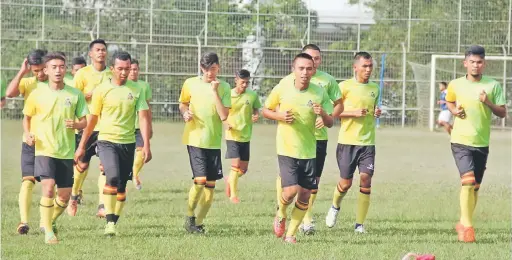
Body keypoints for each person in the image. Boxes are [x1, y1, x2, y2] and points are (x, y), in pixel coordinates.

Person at [75, 51, 152, 236]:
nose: (124, 73)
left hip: (128, 142)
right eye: (120, 69)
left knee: (122, 187)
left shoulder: (136, 90)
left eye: (127, 69)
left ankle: (113, 221)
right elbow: (92, 120)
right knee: (112, 177)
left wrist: (147, 145)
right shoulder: (102, 90)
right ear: (112, 69)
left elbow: (143, 118)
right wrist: (81, 145)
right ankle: (109, 223)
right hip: (107, 140)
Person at [263, 53, 333, 244]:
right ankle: (281, 212)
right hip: (287, 148)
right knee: (291, 191)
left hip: (309, 150)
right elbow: (265, 110)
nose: (305, 72)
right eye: (301, 68)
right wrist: (280, 116)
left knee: (305, 194)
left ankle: (291, 235)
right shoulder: (283, 87)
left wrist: (323, 114)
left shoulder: (319, 92)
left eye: (309, 69)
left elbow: (330, 122)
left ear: (313, 71)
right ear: (293, 69)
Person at [276, 44, 343, 235]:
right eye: (309, 59)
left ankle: (304, 221)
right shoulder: (290, 81)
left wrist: (326, 115)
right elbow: (273, 106)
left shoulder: (327, 82)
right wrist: (281, 116)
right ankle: (298, 218)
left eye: (316, 59)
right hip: (291, 141)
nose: (312, 63)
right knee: (291, 187)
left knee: (311, 186)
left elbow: (338, 105)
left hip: (317, 140)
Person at [23, 52, 88, 244]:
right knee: (48, 188)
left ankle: (49, 220)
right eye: (54, 67)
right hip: (44, 149)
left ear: (65, 69)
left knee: (65, 196)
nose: (58, 70)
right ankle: (48, 233)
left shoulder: (75, 94)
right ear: (46, 70)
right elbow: (26, 118)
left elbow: (84, 121)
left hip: (66, 150)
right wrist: (28, 134)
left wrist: (76, 125)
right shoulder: (36, 93)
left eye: (61, 67)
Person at [445, 45, 506, 243]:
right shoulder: (455, 84)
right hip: (460, 141)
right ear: (465, 63)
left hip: (481, 143)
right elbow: (450, 101)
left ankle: (463, 221)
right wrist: (454, 111)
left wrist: (487, 102)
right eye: (472, 62)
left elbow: (502, 112)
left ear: (484, 64)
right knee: (468, 181)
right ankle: (468, 228)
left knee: (476, 187)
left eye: (479, 62)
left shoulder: (493, 85)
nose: (475, 65)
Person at [325, 52, 382, 234]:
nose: (368, 69)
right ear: (355, 67)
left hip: (367, 143)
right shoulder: (344, 87)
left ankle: (359, 225)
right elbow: (331, 112)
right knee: (345, 183)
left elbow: (373, 109)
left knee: (366, 178)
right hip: (347, 143)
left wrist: (376, 112)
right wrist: (353, 113)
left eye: (370, 66)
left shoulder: (375, 88)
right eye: (365, 66)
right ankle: (335, 206)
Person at [179, 52, 231, 234]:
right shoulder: (190, 83)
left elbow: (224, 115)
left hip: (213, 142)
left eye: (213, 69)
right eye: (207, 69)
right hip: (194, 139)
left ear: (219, 68)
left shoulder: (224, 87)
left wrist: (215, 91)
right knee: (199, 181)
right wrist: (185, 112)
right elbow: (183, 103)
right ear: (202, 68)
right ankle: (189, 215)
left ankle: (198, 224)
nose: (210, 73)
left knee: (209, 191)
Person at [6, 49, 49, 235]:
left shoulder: (58, 84)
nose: (39, 74)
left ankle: (45, 221)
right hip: (30, 141)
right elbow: (9, 93)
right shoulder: (27, 82)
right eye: (35, 70)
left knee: (49, 184)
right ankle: (24, 222)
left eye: (42, 70)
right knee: (27, 182)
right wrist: (22, 71)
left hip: (51, 143)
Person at [68, 39, 112, 217]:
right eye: (98, 50)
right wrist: (90, 94)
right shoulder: (82, 74)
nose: (101, 53)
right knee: (82, 165)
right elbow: (73, 98)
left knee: (104, 167)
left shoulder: (112, 73)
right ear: (91, 54)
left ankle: (102, 205)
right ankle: (73, 195)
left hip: (107, 128)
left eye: (103, 50)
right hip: (87, 127)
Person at [224, 69, 261, 203]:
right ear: (236, 80)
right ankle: (233, 196)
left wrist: (256, 114)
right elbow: (221, 112)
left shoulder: (252, 95)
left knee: (243, 169)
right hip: (232, 135)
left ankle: (230, 179)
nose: (244, 85)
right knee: (236, 165)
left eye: (247, 83)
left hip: (246, 135)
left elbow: (256, 108)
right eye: (242, 82)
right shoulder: (228, 95)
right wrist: (225, 122)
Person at [128, 58, 153, 190]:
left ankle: (135, 175)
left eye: (135, 69)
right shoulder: (123, 86)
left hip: (140, 127)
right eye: (130, 69)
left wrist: (150, 126)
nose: (133, 72)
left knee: (142, 151)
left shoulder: (144, 86)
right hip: (126, 127)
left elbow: (148, 107)